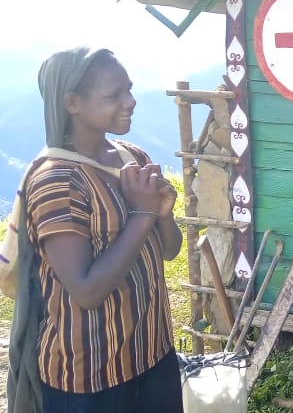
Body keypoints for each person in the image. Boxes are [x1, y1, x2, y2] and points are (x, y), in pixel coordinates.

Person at [8, 47, 184, 412]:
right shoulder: (58, 181)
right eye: (113, 95)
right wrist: (141, 212)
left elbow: (168, 251)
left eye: (129, 90)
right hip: (89, 378)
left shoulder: (132, 158)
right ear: (72, 103)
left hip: (152, 353)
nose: (131, 101)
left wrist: (161, 214)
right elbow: (86, 291)